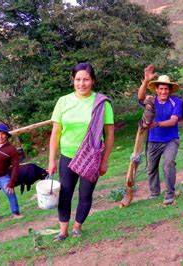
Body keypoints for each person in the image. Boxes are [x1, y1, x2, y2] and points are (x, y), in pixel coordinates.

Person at [48, 62, 114, 241]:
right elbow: (55, 133)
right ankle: (63, 231)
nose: (81, 83)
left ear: (92, 81)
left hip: (92, 156)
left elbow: (109, 135)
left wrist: (105, 160)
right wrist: (52, 160)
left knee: (85, 194)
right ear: (72, 80)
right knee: (65, 195)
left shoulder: (101, 103)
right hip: (67, 157)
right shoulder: (63, 101)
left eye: (86, 79)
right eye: (78, 79)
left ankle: (78, 226)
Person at [137, 64, 182, 204]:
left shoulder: (176, 102)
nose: (163, 91)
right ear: (156, 89)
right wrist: (145, 80)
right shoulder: (152, 100)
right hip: (153, 140)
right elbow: (140, 97)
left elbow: (174, 121)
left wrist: (156, 124)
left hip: (171, 140)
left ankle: (170, 194)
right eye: (161, 88)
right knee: (151, 168)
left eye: (166, 89)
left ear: (169, 90)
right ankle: (154, 193)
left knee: (168, 163)